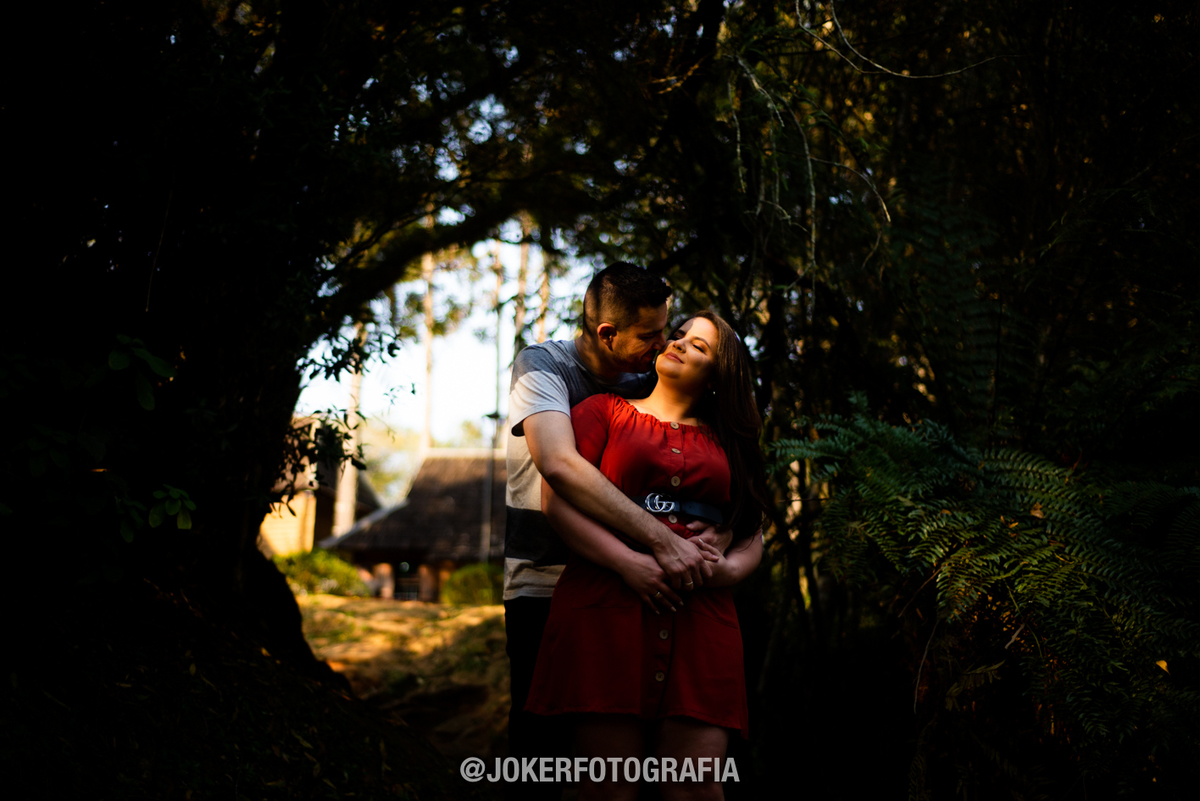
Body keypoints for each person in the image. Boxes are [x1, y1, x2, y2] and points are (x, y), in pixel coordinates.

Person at [503, 265, 731, 799]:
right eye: (651, 335)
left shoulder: (648, 377)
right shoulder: (543, 367)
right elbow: (560, 465)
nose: (663, 343)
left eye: (669, 330)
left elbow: (708, 460)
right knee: (543, 760)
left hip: (637, 588)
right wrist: (663, 541)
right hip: (546, 580)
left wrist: (719, 536)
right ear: (608, 333)